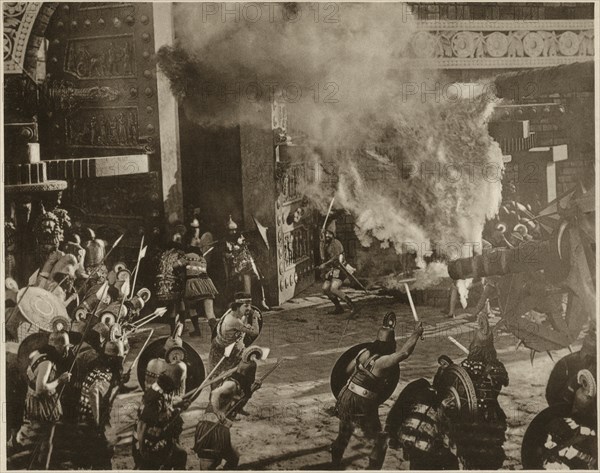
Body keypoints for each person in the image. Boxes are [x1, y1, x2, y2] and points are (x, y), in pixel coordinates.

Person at [331, 316, 424, 469]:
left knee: (344, 433)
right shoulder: (382, 362)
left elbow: (347, 371)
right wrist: (416, 333)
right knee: (380, 441)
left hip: (346, 396)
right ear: (390, 344)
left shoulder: (363, 352)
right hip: (363, 403)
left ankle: (334, 465)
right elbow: (404, 353)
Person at [194, 347, 265, 469]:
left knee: (233, 458)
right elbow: (216, 393)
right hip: (211, 428)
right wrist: (218, 411)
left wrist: (252, 391)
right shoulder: (232, 383)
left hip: (221, 427)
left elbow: (237, 404)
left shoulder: (241, 386)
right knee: (209, 465)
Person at [11, 331, 73, 468]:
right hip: (42, 404)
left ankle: (36, 466)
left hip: (36, 402)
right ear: (57, 346)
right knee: (43, 441)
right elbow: (41, 389)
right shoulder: (47, 363)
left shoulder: (38, 354)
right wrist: (60, 380)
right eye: (65, 346)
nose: (67, 350)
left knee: (40, 441)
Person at [75, 339, 128, 469]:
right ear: (115, 358)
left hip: (82, 420)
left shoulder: (98, 367)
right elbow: (94, 391)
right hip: (91, 424)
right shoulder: (106, 375)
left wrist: (121, 381)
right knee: (102, 459)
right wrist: (97, 421)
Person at [132, 368, 190, 470]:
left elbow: (166, 407)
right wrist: (142, 449)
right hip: (149, 444)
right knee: (179, 456)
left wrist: (180, 405)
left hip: (158, 440)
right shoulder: (155, 398)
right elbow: (142, 424)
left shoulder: (160, 390)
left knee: (180, 455)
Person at [209, 292, 260, 378]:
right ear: (237, 306)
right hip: (222, 351)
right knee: (217, 378)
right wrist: (255, 318)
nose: (249, 308)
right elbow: (255, 332)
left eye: (250, 305)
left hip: (232, 348)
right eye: (246, 306)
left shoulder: (235, 313)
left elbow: (242, 327)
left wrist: (246, 326)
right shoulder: (233, 320)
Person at [223, 216, 269, 311]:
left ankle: (261, 301)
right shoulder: (226, 242)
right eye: (231, 231)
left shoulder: (241, 237)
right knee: (237, 282)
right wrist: (230, 253)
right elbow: (226, 255)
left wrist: (241, 244)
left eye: (235, 230)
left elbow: (246, 248)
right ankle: (237, 304)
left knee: (258, 278)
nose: (234, 232)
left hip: (247, 262)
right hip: (236, 266)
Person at [181, 251, 219, 337]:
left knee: (192, 308)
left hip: (193, 284)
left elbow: (175, 265)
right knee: (210, 312)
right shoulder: (202, 258)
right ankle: (216, 335)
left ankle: (197, 331)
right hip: (207, 283)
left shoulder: (187, 256)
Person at [319, 229, 355, 315]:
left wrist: (325, 264)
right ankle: (338, 308)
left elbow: (336, 257)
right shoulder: (325, 244)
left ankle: (352, 305)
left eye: (329, 234)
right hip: (331, 271)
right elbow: (323, 256)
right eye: (326, 233)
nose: (327, 235)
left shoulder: (336, 243)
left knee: (333, 288)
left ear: (333, 234)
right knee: (325, 289)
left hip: (340, 270)